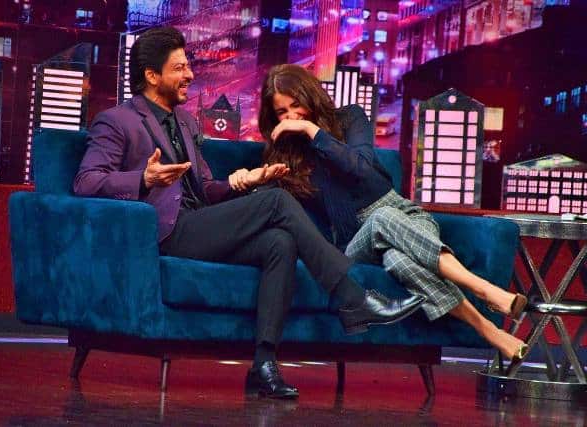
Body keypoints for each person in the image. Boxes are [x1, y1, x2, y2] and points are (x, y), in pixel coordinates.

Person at [73, 28, 424, 399]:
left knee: (279, 242)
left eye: (187, 66)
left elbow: (205, 188)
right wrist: (143, 179)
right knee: (277, 202)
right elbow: (85, 182)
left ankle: (264, 366)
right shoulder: (117, 120)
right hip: (164, 233)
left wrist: (244, 182)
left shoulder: (185, 122)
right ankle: (352, 297)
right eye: (179, 68)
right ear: (151, 75)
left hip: (198, 224)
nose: (190, 74)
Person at [254, 64, 528, 362]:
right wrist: (251, 181)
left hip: (405, 217)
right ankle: (484, 290)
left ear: (310, 96)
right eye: (282, 112)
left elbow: (361, 168)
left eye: (296, 105)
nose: (292, 116)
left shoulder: (350, 118)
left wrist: (314, 132)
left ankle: (489, 330)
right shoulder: (284, 156)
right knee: (380, 220)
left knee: (398, 259)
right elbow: (270, 206)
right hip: (355, 243)